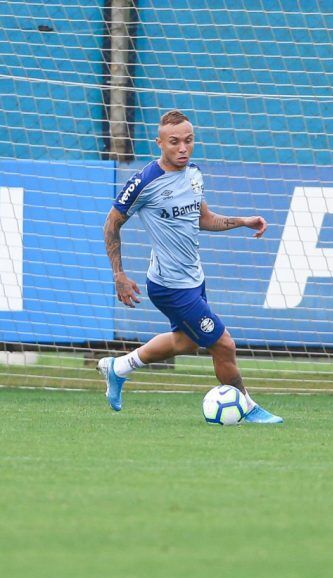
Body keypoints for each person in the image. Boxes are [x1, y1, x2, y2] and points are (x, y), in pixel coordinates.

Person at [97, 109, 283, 424]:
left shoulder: (194, 174)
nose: (183, 148)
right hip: (169, 286)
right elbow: (111, 224)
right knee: (223, 344)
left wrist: (242, 221)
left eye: (188, 141)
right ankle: (248, 407)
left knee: (187, 342)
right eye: (174, 142)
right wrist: (118, 274)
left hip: (194, 279)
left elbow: (203, 219)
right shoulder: (145, 181)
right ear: (159, 143)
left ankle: (118, 368)